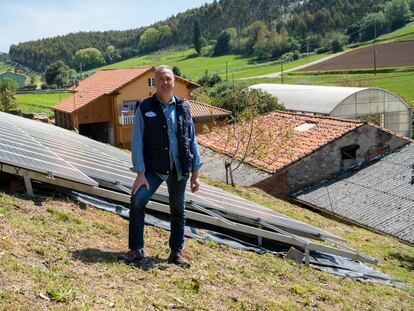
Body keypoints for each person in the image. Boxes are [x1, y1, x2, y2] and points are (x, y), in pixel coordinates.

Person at [119, 65, 202, 267]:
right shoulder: (145, 107)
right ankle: (136, 250)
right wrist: (140, 172)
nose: (165, 83)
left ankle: (176, 252)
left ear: (173, 81)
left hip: (179, 167)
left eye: (168, 79)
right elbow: (137, 141)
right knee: (138, 200)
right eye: (161, 79)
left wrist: (195, 173)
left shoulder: (184, 107)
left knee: (178, 210)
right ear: (155, 83)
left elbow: (192, 140)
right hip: (154, 168)